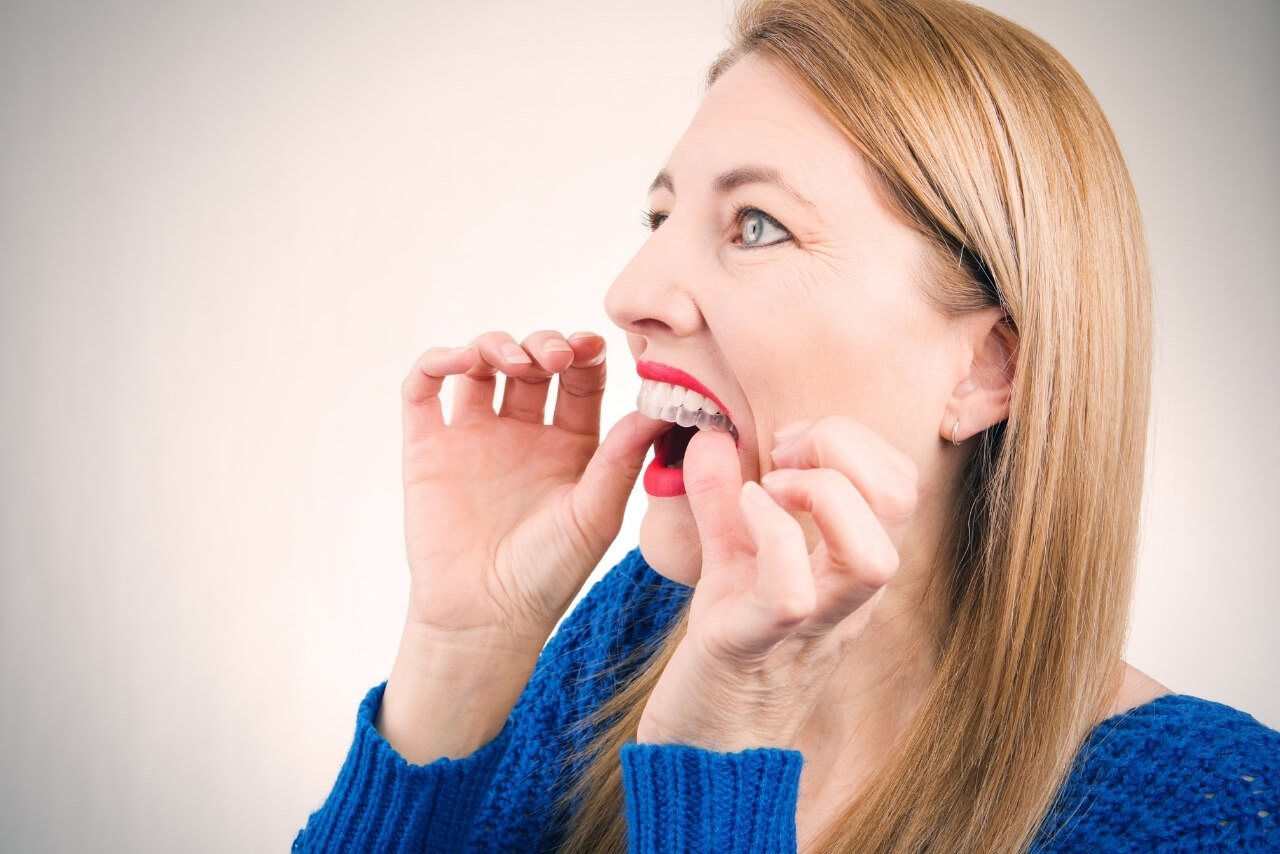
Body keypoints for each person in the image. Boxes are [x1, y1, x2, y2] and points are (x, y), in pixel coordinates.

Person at [294, 0, 1279, 851]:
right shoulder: (628, 636)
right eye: (658, 218)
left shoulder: (1208, 810)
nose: (629, 294)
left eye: (753, 224)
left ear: (987, 367)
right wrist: (463, 651)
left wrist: (710, 766)